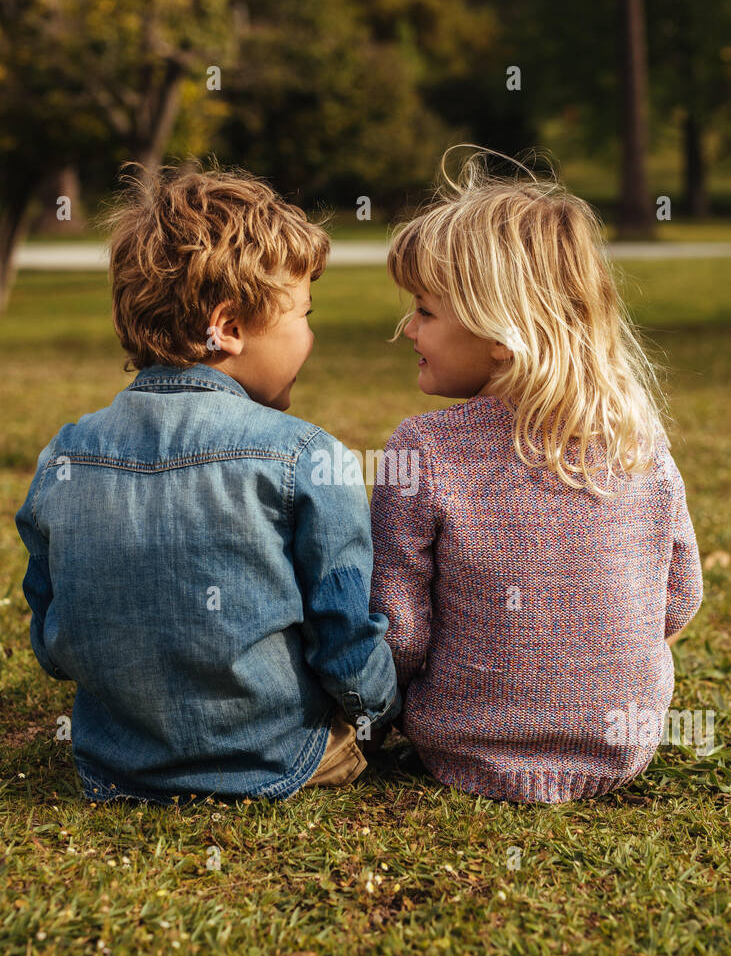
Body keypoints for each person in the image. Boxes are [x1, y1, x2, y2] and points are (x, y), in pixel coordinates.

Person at [16, 165, 399, 803]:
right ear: (227, 328)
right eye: (304, 313)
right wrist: (386, 712)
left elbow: (53, 641)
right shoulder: (306, 456)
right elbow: (346, 645)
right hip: (278, 759)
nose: (312, 333)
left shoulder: (65, 455)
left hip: (115, 765)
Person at [370, 151, 703, 803]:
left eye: (424, 312)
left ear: (499, 335)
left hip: (459, 744)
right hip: (620, 744)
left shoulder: (425, 451)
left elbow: (399, 633)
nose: (406, 329)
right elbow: (678, 596)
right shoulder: (641, 442)